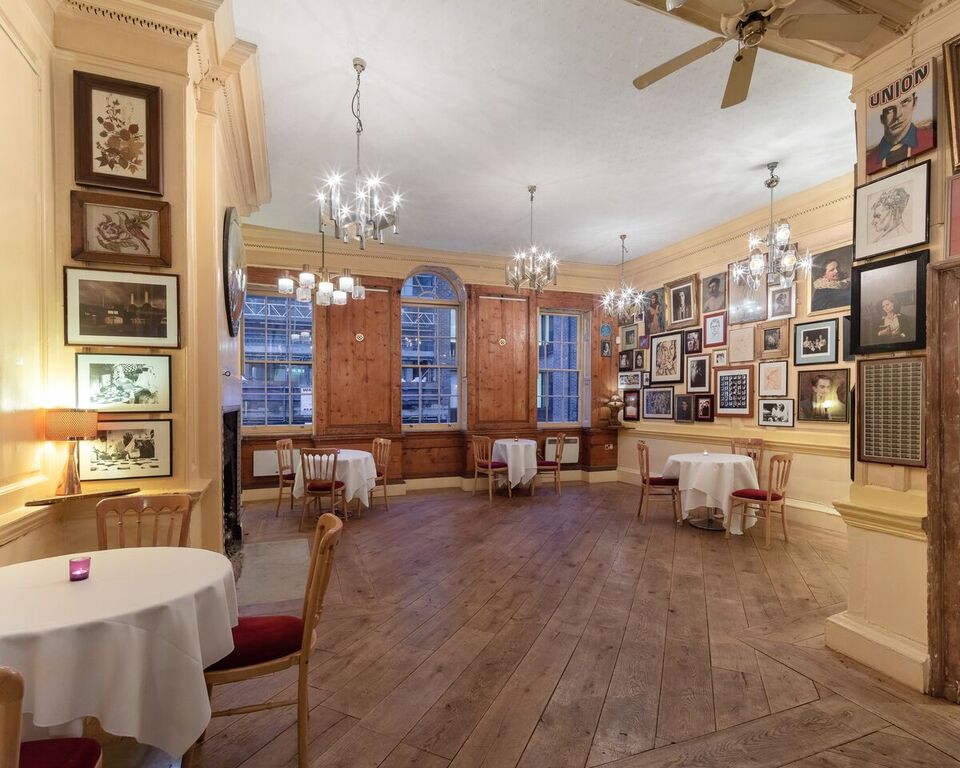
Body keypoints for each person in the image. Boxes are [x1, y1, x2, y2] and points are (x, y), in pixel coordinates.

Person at [865, 92, 935, 173]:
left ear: (914, 103)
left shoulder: (930, 137)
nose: (898, 115)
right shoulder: (870, 161)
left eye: (905, 102)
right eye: (889, 109)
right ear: (881, 117)